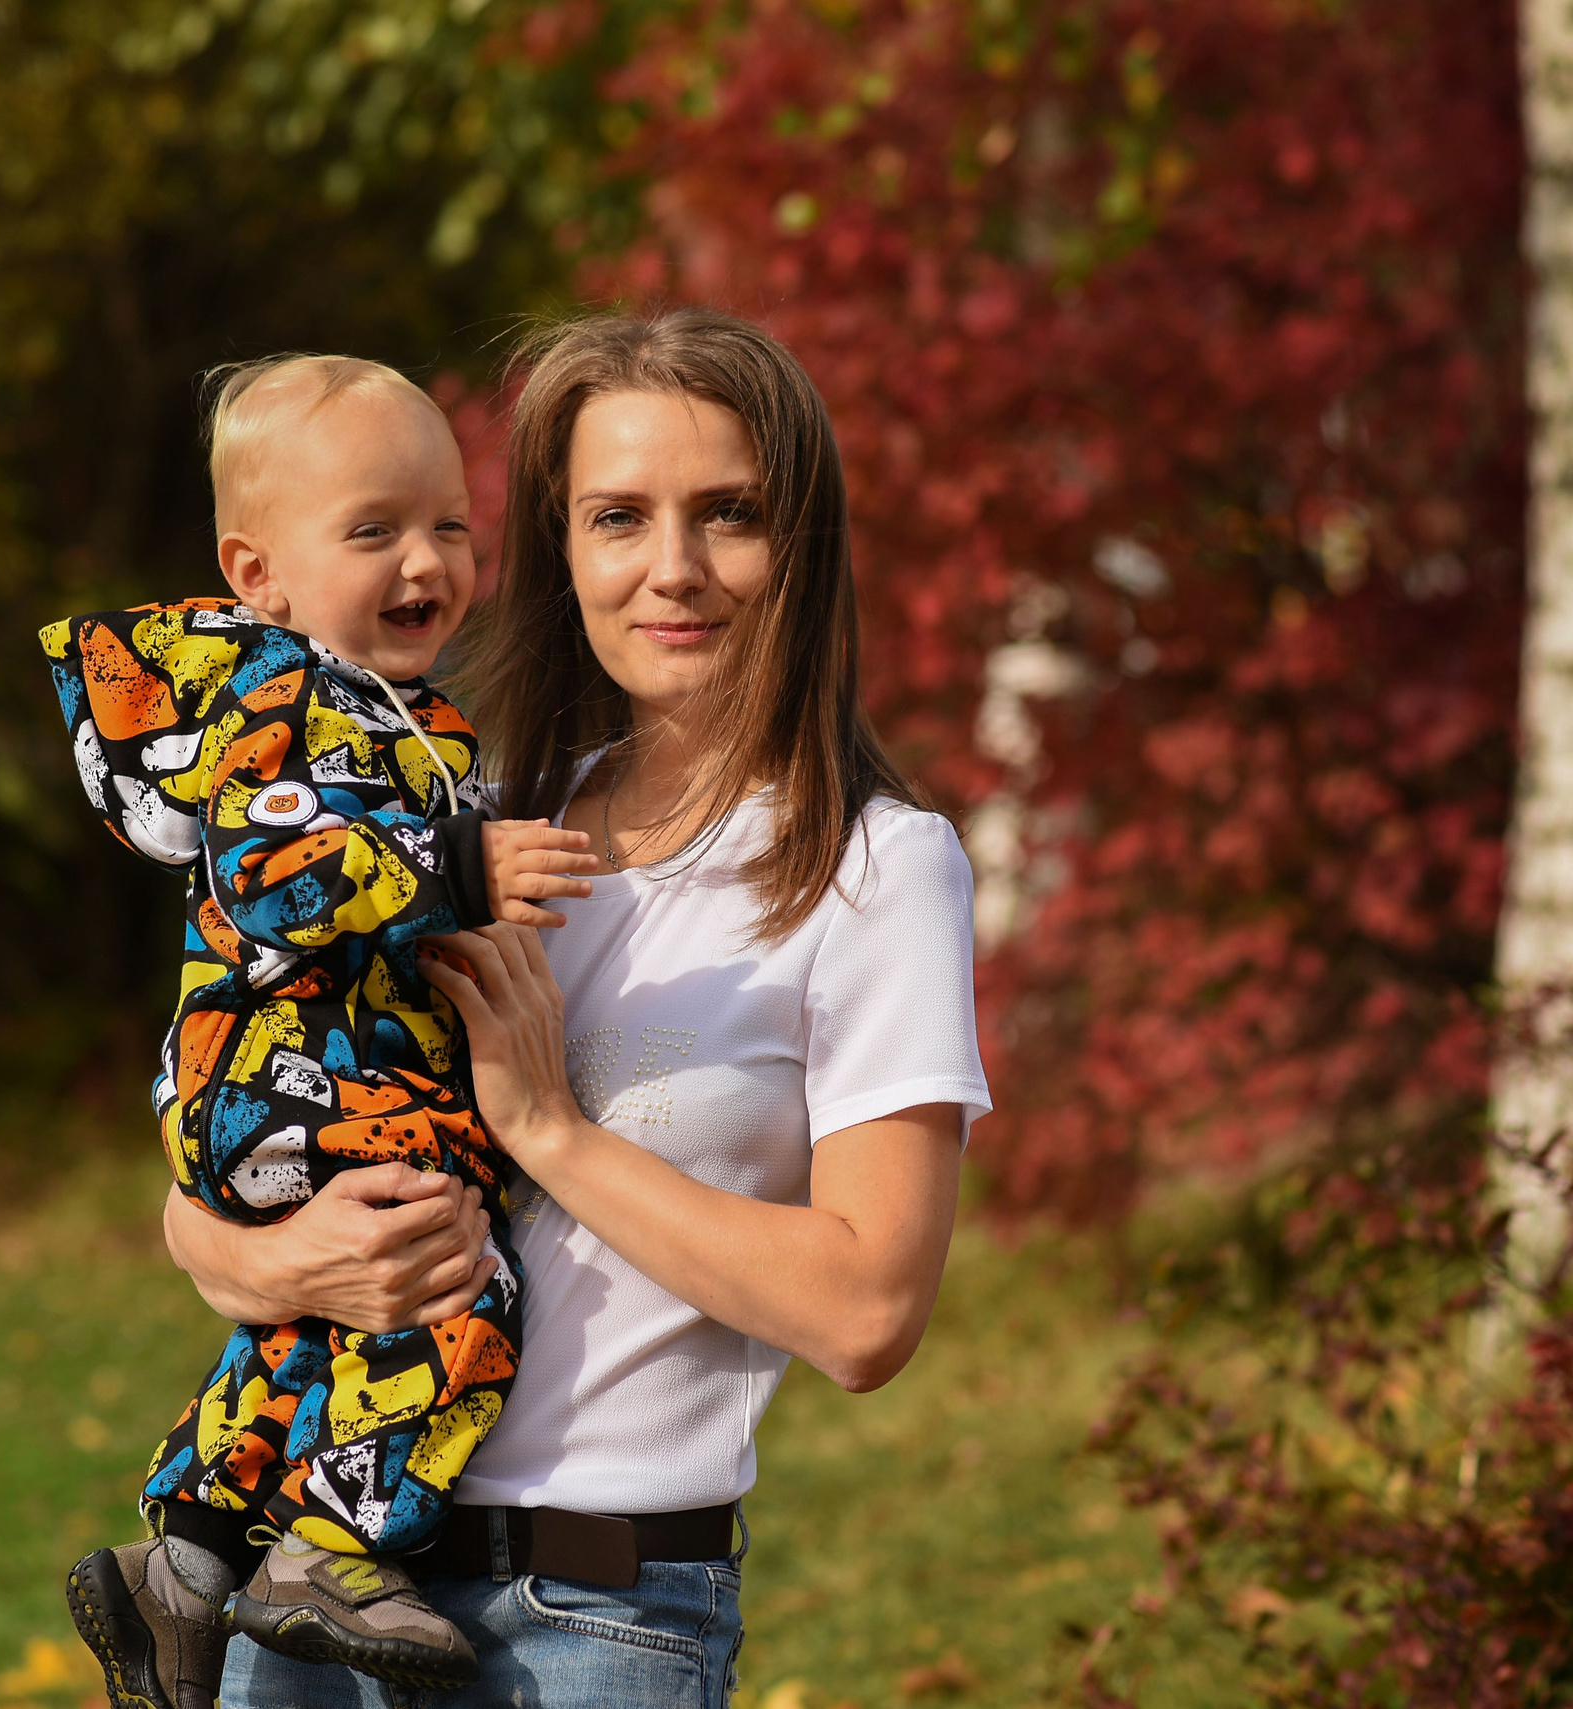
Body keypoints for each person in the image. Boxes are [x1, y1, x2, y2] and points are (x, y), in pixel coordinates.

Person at [165, 308, 993, 1709]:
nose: (674, 568)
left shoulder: (874, 867)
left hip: (593, 1622)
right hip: (304, 1594)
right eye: (619, 517)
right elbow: (206, 1177)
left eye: (730, 513)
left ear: (801, 543)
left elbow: (868, 1313)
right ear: (561, 549)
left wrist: (550, 1130)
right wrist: (284, 1260)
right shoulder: (466, 830)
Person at [41, 355, 597, 1707]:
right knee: (457, 1283)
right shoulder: (287, 700)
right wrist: (455, 868)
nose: (426, 560)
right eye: (372, 531)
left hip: (274, 1079)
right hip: (285, 1075)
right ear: (260, 574)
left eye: (449, 525)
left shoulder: (399, 711)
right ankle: (333, 1550)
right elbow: (267, 874)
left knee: (327, 1321)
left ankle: (185, 1561)